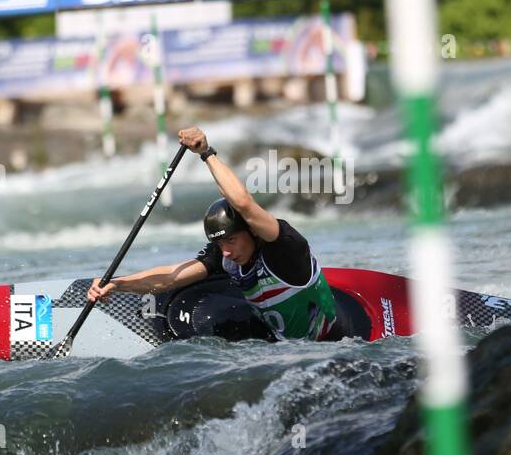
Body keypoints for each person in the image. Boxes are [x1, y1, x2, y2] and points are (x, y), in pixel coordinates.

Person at [86, 127, 344, 341]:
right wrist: (118, 284)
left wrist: (206, 153)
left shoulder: (285, 247)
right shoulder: (227, 256)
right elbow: (169, 279)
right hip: (279, 342)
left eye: (231, 240)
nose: (226, 251)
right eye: (219, 243)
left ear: (252, 231)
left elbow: (244, 204)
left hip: (331, 344)